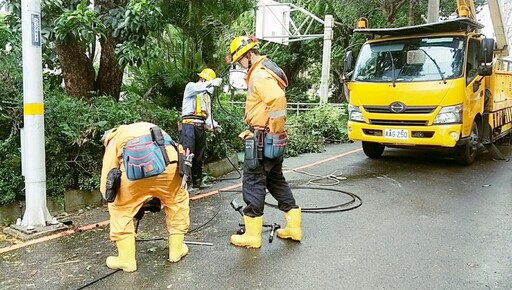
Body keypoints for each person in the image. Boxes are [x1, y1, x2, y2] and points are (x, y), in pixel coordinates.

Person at [228, 35, 302, 248]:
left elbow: (277, 100)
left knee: (253, 182)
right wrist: (274, 133)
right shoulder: (267, 72)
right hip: (270, 139)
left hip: (263, 138)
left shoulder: (260, 75)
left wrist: (272, 131)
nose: (240, 65)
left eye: (240, 60)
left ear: (249, 54)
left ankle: (252, 236)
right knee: (276, 180)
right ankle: (293, 228)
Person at [100, 122, 190, 272]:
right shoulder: (145, 127)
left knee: (120, 209)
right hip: (170, 165)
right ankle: (176, 251)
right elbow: (176, 149)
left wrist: (110, 196)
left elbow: (108, 174)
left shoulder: (113, 140)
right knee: (177, 201)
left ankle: (126, 260)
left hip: (134, 172)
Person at [180, 68, 222, 193]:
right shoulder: (191, 87)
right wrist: (211, 83)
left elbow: (207, 116)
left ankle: (198, 183)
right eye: (208, 82)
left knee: (199, 156)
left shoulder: (206, 96)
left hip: (200, 127)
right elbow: (199, 87)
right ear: (203, 79)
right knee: (188, 155)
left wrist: (214, 125)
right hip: (189, 127)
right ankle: (185, 185)